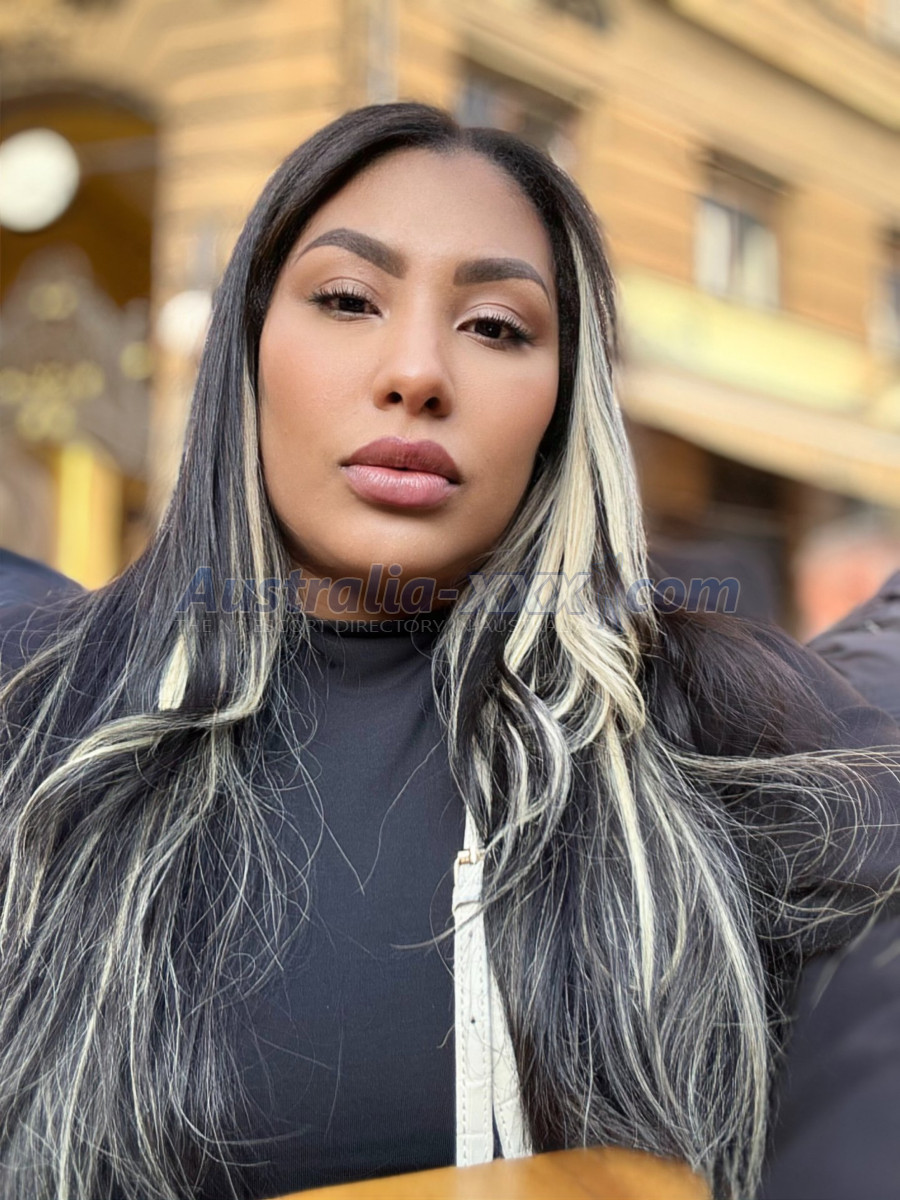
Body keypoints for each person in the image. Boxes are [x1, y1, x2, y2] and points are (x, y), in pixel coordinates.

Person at [0, 103, 898, 1200]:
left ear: (564, 404)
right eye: (347, 300)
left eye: (497, 327)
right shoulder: (35, 714)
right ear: (247, 348)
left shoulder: (718, 724)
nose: (417, 371)